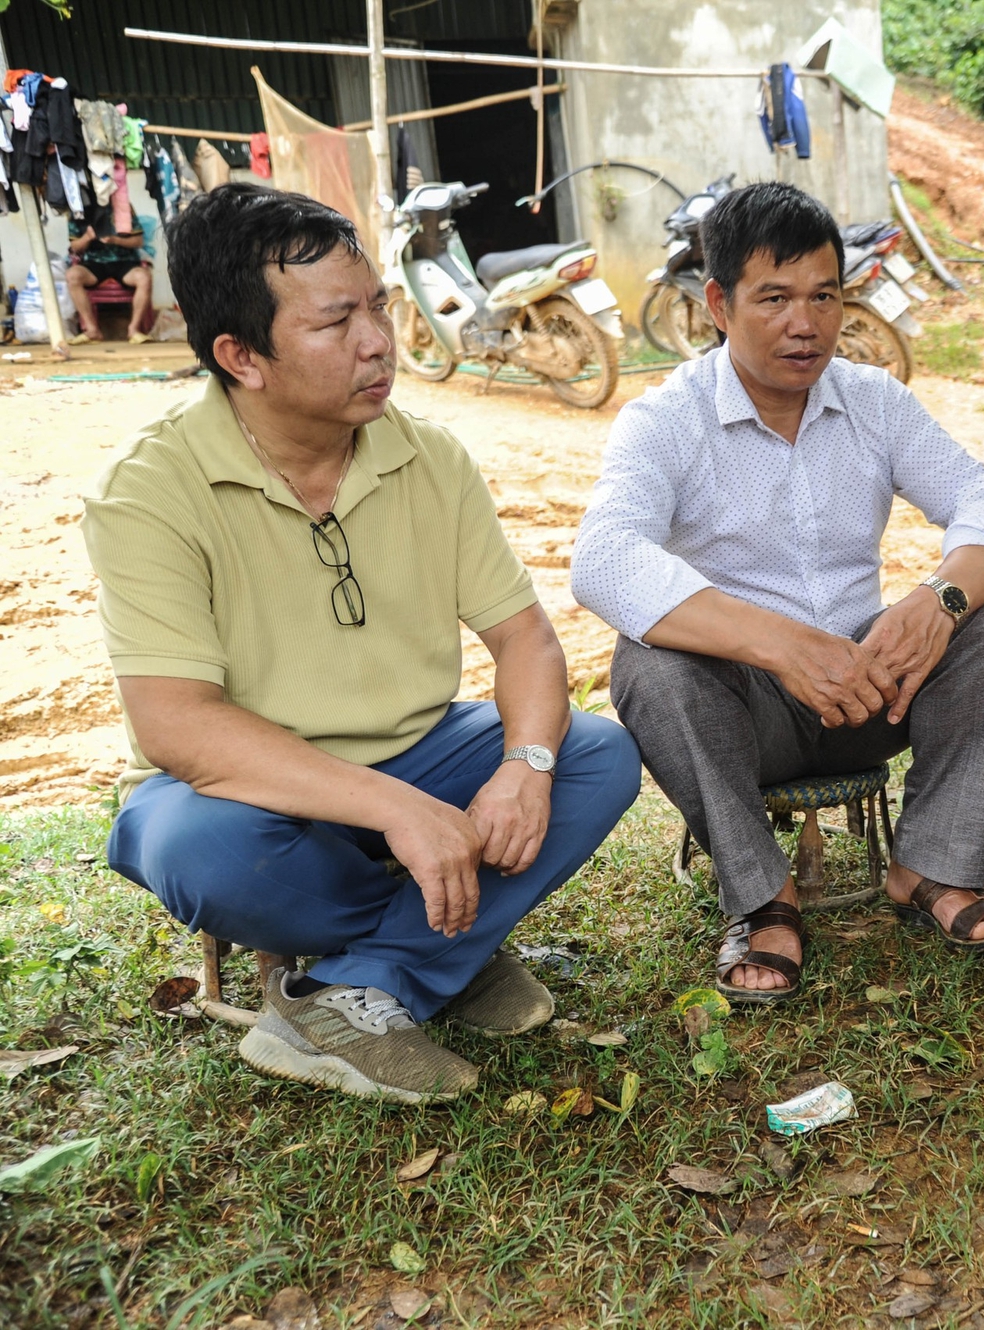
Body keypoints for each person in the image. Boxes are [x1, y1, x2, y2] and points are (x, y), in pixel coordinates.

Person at [87, 184, 641, 1104]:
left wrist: (527, 764)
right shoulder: (152, 490)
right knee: (187, 840)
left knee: (597, 754)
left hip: (427, 753)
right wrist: (395, 810)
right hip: (274, 794)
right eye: (336, 320)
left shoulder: (427, 456)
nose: (379, 340)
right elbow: (176, 727)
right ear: (240, 356)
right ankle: (448, 953)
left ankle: (380, 978)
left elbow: (527, 642)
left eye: (378, 305)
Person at [572, 181, 984, 1006]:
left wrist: (940, 600)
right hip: (754, 712)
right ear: (718, 303)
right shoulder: (664, 421)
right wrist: (780, 645)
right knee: (650, 664)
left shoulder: (873, 401)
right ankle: (762, 899)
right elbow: (603, 560)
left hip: (877, 689)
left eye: (825, 296)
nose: (806, 324)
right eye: (775, 298)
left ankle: (930, 866)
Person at [65, 203, 154, 343]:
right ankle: (92, 330)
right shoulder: (78, 210)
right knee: (73, 275)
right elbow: (74, 247)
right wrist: (87, 237)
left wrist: (115, 240)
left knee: (144, 277)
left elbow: (138, 241)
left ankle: (134, 330)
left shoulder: (123, 206)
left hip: (125, 261)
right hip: (94, 263)